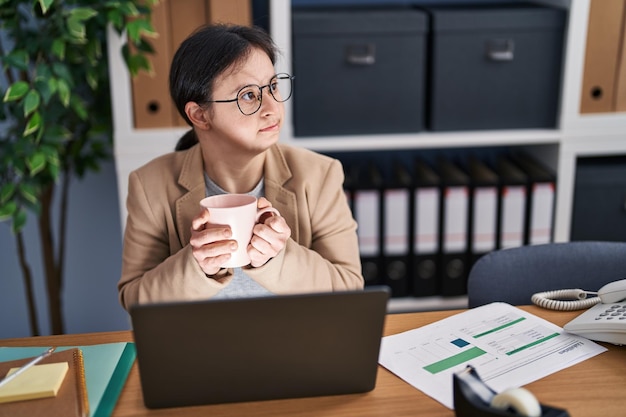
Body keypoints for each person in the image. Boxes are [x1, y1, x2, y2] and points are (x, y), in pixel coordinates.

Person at [117, 23, 364, 310]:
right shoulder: (150, 185)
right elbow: (133, 298)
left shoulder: (319, 174)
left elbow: (350, 288)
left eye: (273, 86)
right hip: (200, 347)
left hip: (297, 344)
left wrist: (279, 258)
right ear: (200, 115)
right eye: (248, 95)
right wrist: (195, 266)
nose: (272, 107)